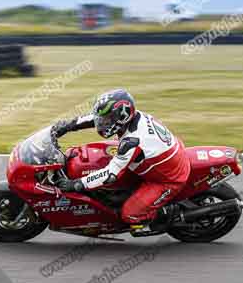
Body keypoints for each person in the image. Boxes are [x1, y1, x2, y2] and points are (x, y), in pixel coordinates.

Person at [51, 89, 190, 233]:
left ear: (121, 118)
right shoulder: (130, 118)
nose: (101, 123)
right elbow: (95, 118)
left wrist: (77, 184)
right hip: (156, 159)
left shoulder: (131, 141)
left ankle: (165, 214)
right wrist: (67, 126)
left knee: (130, 214)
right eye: (103, 119)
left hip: (166, 178)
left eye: (106, 120)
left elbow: (110, 174)